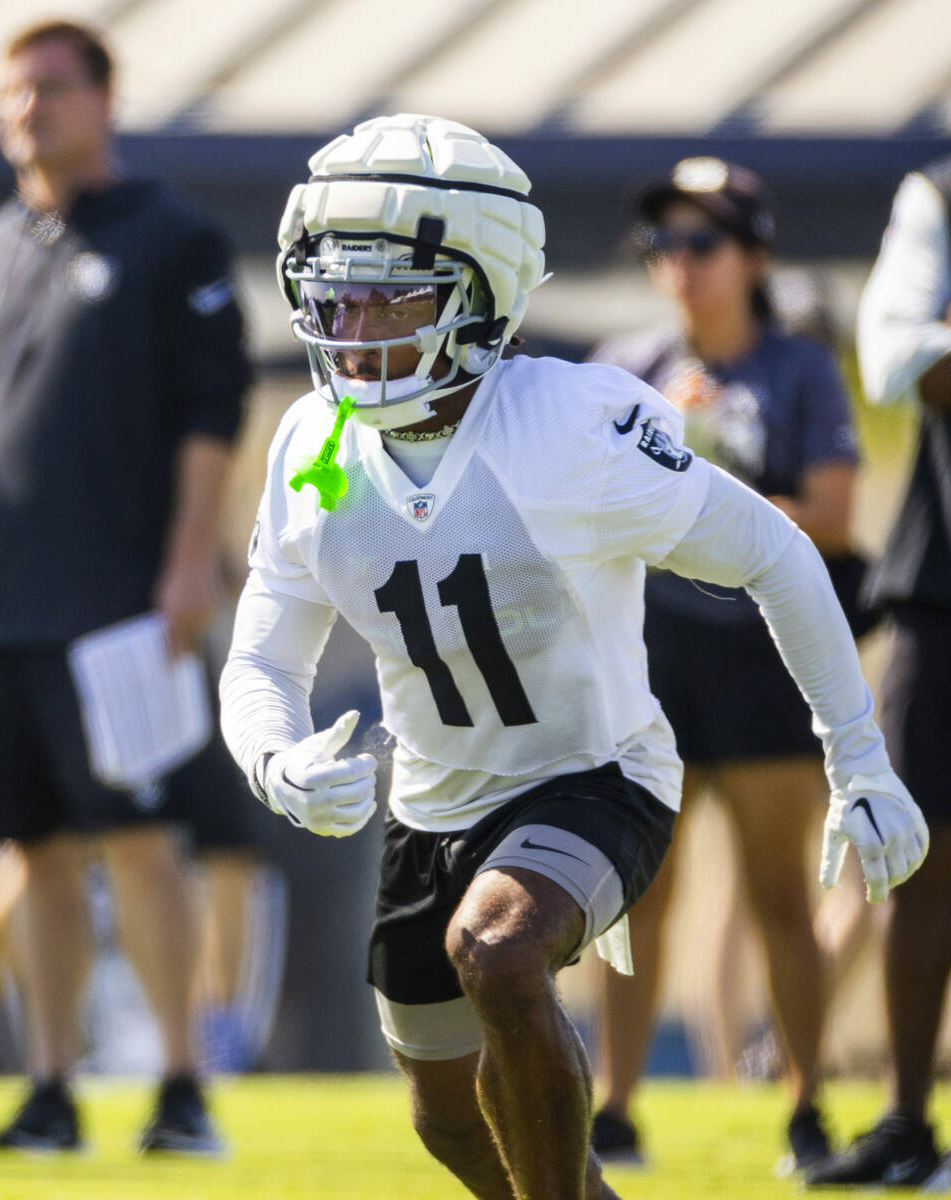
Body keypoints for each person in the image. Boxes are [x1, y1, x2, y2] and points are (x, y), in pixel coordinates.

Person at [219, 113, 928, 1200]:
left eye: (389, 295)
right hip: (429, 805)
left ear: (482, 293)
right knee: (448, 1118)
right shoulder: (311, 442)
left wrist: (857, 758)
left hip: (593, 777)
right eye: (334, 293)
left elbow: (776, 554)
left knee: (497, 951)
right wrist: (274, 758)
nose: (352, 326)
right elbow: (261, 660)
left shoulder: (567, 425)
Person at [0, 20, 250, 1151]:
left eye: (51, 90)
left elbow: (209, 416)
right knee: (32, 852)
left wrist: (184, 569)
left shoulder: (171, 239)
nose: (28, 110)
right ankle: (51, 1089)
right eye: (11, 93)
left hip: (118, 606)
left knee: (140, 840)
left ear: (103, 101)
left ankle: (181, 1086)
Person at [587, 158, 864, 1174]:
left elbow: (830, 520)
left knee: (774, 891)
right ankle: (613, 1108)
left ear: (751, 255)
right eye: (662, 244)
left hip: (759, 658)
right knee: (635, 889)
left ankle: (803, 1103)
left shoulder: (794, 369)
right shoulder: (626, 364)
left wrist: (712, 477)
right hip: (648, 658)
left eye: (701, 242)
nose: (679, 264)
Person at [804, 157, 951, 1189]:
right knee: (917, 859)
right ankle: (905, 1121)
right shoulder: (935, 193)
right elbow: (900, 355)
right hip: (943, 583)